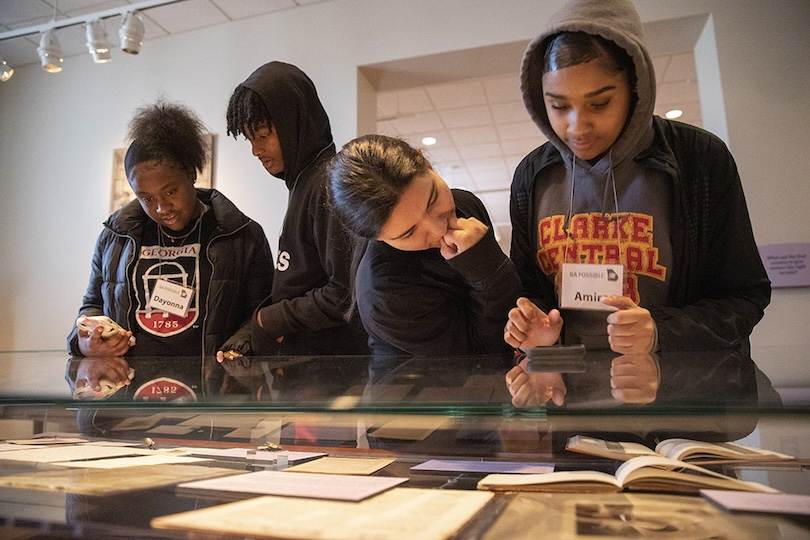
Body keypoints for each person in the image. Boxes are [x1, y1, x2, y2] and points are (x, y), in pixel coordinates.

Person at [504, 0, 770, 403]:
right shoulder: (532, 175)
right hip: (571, 416)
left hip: (681, 412)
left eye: (599, 103)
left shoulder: (699, 158)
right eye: (558, 106)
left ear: (636, 87)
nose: (577, 126)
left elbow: (744, 297)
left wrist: (661, 332)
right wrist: (535, 330)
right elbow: (529, 293)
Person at [66, 99, 275, 396]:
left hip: (212, 409)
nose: (162, 207)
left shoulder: (243, 235)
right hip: (130, 409)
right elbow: (91, 305)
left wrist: (238, 349)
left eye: (170, 191)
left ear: (191, 172)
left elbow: (262, 314)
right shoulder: (115, 237)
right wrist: (84, 341)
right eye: (146, 198)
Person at [328, 134, 520, 362]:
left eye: (432, 200)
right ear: (378, 238)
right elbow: (478, 359)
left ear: (425, 162)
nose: (439, 228)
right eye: (409, 232)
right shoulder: (384, 293)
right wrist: (487, 270)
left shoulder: (464, 204)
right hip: (421, 392)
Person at [224, 61, 368, 358]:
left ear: (294, 124)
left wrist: (270, 320)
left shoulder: (327, 183)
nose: (255, 150)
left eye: (263, 136)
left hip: (331, 370)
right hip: (311, 365)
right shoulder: (305, 183)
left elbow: (346, 292)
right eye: (250, 139)